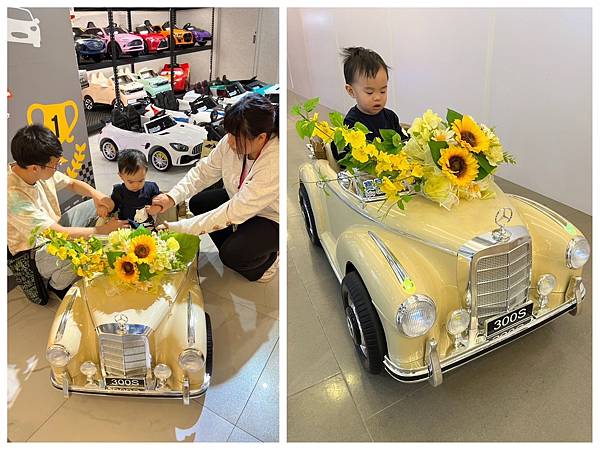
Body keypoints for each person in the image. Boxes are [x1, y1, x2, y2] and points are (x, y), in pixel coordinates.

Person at [152, 93, 279, 283]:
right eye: (229, 133)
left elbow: (233, 212)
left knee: (231, 256)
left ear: (261, 138)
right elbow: (203, 172)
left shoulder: (273, 163)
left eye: (236, 137)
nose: (229, 141)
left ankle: (268, 261)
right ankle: (241, 240)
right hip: (238, 198)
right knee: (199, 203)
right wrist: (171, 197)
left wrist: (179, 228)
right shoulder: (230, 143)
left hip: (269, 216)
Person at [7, 124, 127, 298]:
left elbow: (71, 183)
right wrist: (101, 231)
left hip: (54, 229)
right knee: (80, 247)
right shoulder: (13, 197)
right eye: (55, 165)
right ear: (35, 168)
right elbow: (60, 233)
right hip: (34, 251)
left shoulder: (35, 169)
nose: (58, 167)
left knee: (105, 206)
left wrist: (97, 196)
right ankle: (58, 284)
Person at [332, 46, 409, 161]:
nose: (377, 97)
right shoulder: (351, 122)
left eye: (383, 91)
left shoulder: (390, 117)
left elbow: (401, 142)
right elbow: (344, 156)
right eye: (369, 92)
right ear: (351, 91)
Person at [109, 149, 162, 228]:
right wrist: (106, 209)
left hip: (147, 227)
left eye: (141, 180)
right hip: (126, 227)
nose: (136, 185)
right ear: (121, 176)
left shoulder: (151, 187)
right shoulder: (119, 191)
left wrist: (157, 207)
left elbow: (160, 200)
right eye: (130, 182)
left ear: (146, 172)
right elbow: (112, 208)